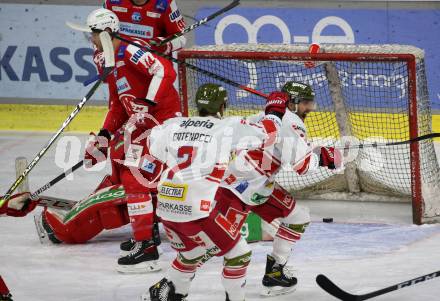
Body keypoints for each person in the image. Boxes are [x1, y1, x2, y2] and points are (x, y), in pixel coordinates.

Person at [145, 82, 342, 301]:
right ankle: (170, 283)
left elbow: (270, 138)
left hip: (255, 185)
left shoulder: (258, 116)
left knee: (297, 217)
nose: (310, 108)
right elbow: (301, 165)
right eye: (306, 103)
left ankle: (275, 272)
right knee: (219, 248)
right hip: (236, 190)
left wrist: (279, 118)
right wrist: (325, 157)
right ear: (293, 103)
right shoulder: (290, 121)